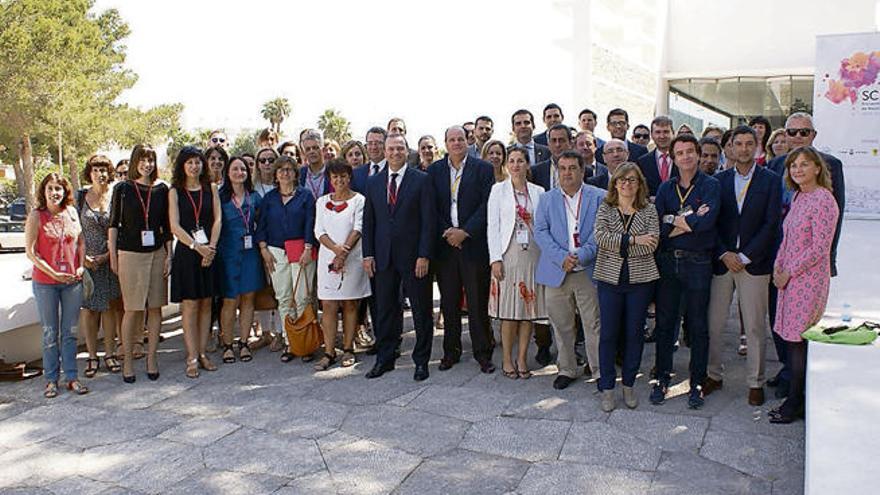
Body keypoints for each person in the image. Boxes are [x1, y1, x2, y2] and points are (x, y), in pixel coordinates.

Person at [705, 126, 781, 406]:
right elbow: (710, 222)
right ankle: (713, 374)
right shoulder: (718, 181)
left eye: (750, 143)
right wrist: (725, 253)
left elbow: (771, 224)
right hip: (723, 263)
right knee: (714, 324)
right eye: (739, 144)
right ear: (731, 148)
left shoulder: (771, 180)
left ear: (758, 147)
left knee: (754, 327)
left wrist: (745, 256)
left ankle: (755, 382)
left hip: (754, 263)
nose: (745, 149)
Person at [769, 146, 838, 424]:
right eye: (793, 165)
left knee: (798, 341)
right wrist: (778, 266)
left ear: (817, 168)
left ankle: (795, 403)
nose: (797, 170)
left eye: (804, 164)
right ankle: (796, 398)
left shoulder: (824, 199)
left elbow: (820, 247)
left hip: (807, 280)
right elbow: (786, 238)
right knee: (792, 339)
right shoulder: (798, 196)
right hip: (788, 278)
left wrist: (790, 271)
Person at [650, 134, 720, 409]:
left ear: (699, 154)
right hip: (669, 263)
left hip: (699, 263)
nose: (686, 157)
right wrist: (690, 219)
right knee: (666, 324)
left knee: (698, 325)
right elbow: (661, 226)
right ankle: (663, 377)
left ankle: (697, 382)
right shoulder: (667, 189)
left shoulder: (711, 185)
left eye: (691, 151)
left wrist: (677, 220)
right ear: (674, 158)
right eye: (680, 153)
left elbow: (709, 221)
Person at [361, 134, 436, 381]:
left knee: (420, 309)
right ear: (384, 151)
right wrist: (368, 254)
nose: (395, 152)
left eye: (400, 148)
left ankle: (421, 360)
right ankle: (386, 357)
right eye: (391, 148)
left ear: (407, 151)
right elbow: (369, 222)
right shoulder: (373, 183)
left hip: (414, 257)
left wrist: (424, 255)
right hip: (383, 257)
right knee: (384, 309)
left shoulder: (421, 180)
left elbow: (428, 222)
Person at [534, 150, 605, 390]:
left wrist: (581, 255)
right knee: (561, 324)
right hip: (557, 271)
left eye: (572, 168)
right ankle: (567, 368)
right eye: (562, 168)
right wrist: (561, 257)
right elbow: (540, 232)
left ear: (582, 171)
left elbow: (601, 233)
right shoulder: (546, 199)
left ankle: (597, 370)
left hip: (588, 270)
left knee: (593, 324)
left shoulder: (599, 197)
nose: (567, 173)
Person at [427, 126, 496, 373]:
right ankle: (450, 351)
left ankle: (483, 352)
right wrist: (448, 232)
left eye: (460, 139)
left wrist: (465, 232)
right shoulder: (434, 171)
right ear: (445, 143)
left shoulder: (483, 169)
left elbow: (486, 204)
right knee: (449, 301)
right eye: (451, 139)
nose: (456, 143)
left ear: (467, 141)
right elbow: (431, 207)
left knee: (477, 301)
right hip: (446, 247)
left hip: (473, 244)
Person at [593, 163, 660, 411]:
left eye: (632, 180)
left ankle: (629, 385)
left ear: (639, 184)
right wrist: (633, 239)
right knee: (608, 334)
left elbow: (651, 244)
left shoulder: (649, 210)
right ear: (615, 184)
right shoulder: (606, 208)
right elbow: (600, 238)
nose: (626, 184)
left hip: (640, 282)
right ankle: (608, 388)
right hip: (609, 281)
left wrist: (622, 243)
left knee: (634, 334)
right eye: (621, 180)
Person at [109, 144, 172, 383]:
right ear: (135, 162)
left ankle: (151, 358)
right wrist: (114, 257)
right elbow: (114, 224)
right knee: (132, 309)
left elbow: (166, 227)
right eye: (143, 160)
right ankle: (127, 360)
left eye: (151, 160)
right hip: (130, 254)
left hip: (157, 253)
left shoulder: (162, 189)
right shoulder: (123, 189)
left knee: (155, 308)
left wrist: (169, 255)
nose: (147, 164)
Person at [27, 173, 88, 398]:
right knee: (50, 333)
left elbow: (81, 242)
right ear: (44, 191)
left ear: (65, 192)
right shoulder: (37, 216)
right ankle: (51, 380)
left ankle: (71, 377)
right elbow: (31, 253)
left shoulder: (72, 213)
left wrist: (80, 266)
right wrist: (54, 273)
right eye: (51, 188)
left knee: (70, 332)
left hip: (72, 282)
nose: (55, 192)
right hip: (45, 284)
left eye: (59, 188)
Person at [487, 147, 546, 379]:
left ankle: (522, 359)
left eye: (520, 160)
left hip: (532, 253)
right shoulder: (498, 190)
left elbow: (543, 225)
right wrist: (495, 259)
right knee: (509, 312)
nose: (515, 165)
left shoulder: (539, 191)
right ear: (506, 165)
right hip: (507, 254)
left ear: (527, 164)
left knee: (527, 311)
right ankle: (507, 360)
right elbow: (492, 226)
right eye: (511, 161)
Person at [255, 155, 317, 362]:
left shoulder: (306, 196)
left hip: (301, 250)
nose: (285, 173)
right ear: (275, 174)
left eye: (289, 169)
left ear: (295, 173)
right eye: (281, 170)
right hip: (275, 252)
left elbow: (311, 222)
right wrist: (263, 249)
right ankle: (291, 344)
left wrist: (308, 248)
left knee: (301, 298)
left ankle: (305, 344)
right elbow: (261, 225)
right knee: (284, 298)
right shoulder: (269, 198)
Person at [169, 146, 222, 379]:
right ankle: (191, 356)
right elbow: (175, 226)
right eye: (189, 162)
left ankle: (202, 353)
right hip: (188, 252)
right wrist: (196, 247)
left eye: (198, 162)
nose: (194, 166)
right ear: (182, 166)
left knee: (206, 304)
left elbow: (218, 219)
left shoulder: (211, 188)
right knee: (190, 306)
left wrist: (211, 247)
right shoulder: (175, 192)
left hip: (210, 251)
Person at [313, 159, 371, 370]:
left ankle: (348, 348)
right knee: (328, 304)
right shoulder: (321, 202)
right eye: (335, 176)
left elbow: (358, 228)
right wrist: (335, 250)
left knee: (350, 303)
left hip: (352, 258)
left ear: (349, 177)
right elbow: (318, 231)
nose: (339, 180)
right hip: (328, 256)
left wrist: (343, 252)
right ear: (329, 179)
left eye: (343, 176)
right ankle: (329, 351)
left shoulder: (359, 200)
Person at [217, 156, 265, 364]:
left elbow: (262, 223)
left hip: (250, 255)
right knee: (229, 300)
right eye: (235, 169)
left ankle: (244, 343)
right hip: (228, 254)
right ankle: (228, 344)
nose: (239, 173)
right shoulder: (219, 197)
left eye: (243, 169)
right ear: (228, 173)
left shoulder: (254, 197)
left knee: (248, 299)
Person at [78, 155, 122, 378]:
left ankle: (110, 354)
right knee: (89, 310)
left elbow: (120, 230)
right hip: (85, 262)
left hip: (110, 260)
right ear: (90, 172)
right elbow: (73, 231)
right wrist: (82, 257)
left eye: (104, 169)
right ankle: (92, 356)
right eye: (96, 169)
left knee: (110, 309)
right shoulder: (79, 197)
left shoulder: (116, 196)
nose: (100, 174)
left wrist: (107, 256)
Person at [636, 116, 679, 198]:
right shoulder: (642, 162)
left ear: (673, 134)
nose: (662, 136)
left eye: (666, 132)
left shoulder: (683, 159)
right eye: (658, 132)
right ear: (652, 135)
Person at [531, 123, 574, 191]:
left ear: (570, 143)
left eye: (561, 140)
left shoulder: (584, 170)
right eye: (553, 140)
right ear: (548, 144)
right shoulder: (536, 171)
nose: (557, 145)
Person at [351, 127, 387, 194]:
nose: (374, 147)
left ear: (386, 145)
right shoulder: (355, 174)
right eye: (370, 143)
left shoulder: (393, 171)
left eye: (378, 143)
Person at [300, 130, 333, 201]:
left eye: (315, 148)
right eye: (308, 149)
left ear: (323, 150)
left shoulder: (333, 172)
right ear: (304, 153)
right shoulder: (299, 174)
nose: (312, 151)